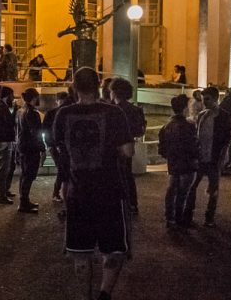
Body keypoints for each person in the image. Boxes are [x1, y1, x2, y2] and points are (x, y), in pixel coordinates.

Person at [52, 68, 134, 300]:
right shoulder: (114, 112)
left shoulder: (63, 114)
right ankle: (104, 295)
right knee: (114, 249)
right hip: (110, 189)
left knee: (80, 253)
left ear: (73, 86)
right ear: (99, 85)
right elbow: (128, 151)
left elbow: (58, 149)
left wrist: (65, 176)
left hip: (78, 190)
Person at [187, 85, 231, 227]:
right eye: (204, 99)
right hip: (201, 157)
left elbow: (226, 139)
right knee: (192, 186)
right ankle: (188, 214)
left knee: (213, 189)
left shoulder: (223, 116)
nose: (205, 102)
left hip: (214, 157)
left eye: (207, 99)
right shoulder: (202, 115)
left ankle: (209, 217)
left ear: (216, 99)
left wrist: (222, 158)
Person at [106, 78, 146, 215]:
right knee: (128, 175)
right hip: (128, 145)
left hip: (113, 147)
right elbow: (139, 130)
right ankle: (132, 203)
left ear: (114, 92)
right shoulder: (134, 109)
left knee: (114, 175)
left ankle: (117, 203)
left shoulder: (111, 110)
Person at [158, 94, 199, 228]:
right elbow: (193, 146)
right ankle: (179, 218)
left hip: (173, 162)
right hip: (187, 163)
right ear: (185, 108)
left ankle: (170, 218)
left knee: (171, 190)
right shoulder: (189, 126)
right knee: (183, 192)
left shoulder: (166, 127)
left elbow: (162, 149)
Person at [16, 87, 45, 212]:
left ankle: (25, 200)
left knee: (25, 174)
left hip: (23, 146)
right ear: (34, 98)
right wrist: (42, 148)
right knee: (29, 175)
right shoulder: (32, 113)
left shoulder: (22, 111)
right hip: (30, 148)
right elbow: (36, 132)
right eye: (37, 97)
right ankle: (24, 203)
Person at [43, 89, 73, 204]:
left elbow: (45, 129)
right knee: (62, 169)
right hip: (57, 145)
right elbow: (46, 129)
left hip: (56, 145)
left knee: (62, 169)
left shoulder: (52, 113)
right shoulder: (55, 113)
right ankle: (57, 193)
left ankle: (58, 193)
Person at [0, 86, 18, 205]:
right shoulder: (1, 107)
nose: (13, 98)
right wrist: (16, 110)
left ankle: (4, 190)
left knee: (8, 166)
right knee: (3, 168)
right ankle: (1, 194)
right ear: (7, 96)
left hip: (4, 141)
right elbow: (10, 123)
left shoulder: (1, 107)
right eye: (12, 95)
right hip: (3, 141)